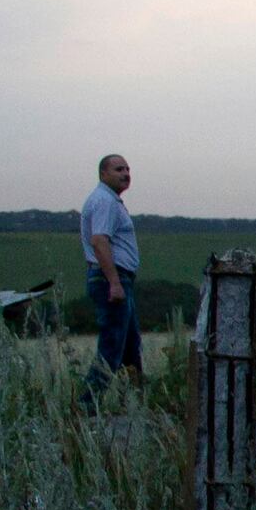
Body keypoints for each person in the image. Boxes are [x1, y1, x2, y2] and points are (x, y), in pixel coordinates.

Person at [80, 152, 142, 396]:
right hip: (112, 279)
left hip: (118, 279)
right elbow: (99, 241)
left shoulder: (110, 200)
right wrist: (114, 283)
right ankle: (87, 406)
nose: (125, 174)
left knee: (129, 346)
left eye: (127, 169)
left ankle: (135, 403)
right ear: (103, 174)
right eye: (118, 170)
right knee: (112, 346)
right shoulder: (104, 201)